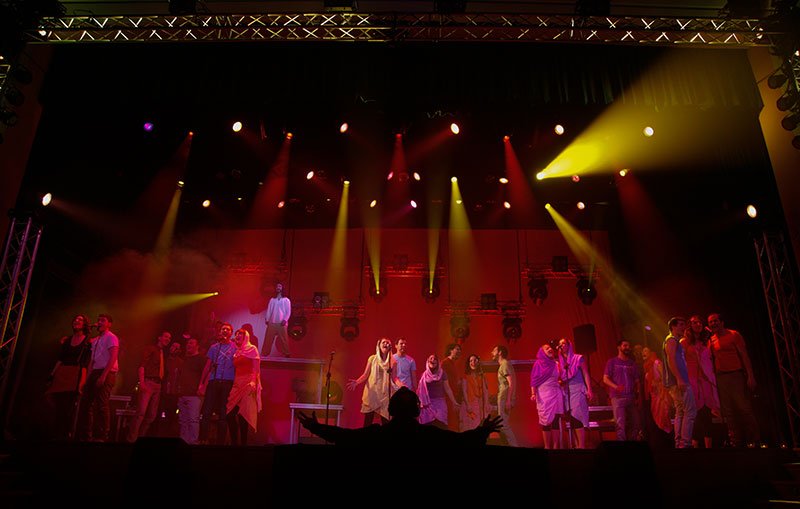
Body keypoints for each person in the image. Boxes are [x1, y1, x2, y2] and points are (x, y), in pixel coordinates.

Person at [297, 386, 502, 447]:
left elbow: (345, 436)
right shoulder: (428, 435)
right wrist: (483, 430)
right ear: (416, 411)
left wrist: (315, 427)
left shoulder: (377, 434)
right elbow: (460, 442)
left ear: (391, 410)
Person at [708, 312, 760, 447]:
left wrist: (750, 376)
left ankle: (754, 440)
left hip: (735, 375)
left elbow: (744, 355)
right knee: (728, 411)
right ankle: (735, 441)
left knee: (743, 407)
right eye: (711, 322)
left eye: (715, 321)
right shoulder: (711, 340)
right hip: (721, 377)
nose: (713, 323)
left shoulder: (733, 334)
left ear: (722, 322)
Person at [46, 314, 91, 440]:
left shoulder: (87, 342)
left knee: (68, 407)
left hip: (74, 374)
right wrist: (52, 374)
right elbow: (60, 359)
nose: (76, 321)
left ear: (85, 324)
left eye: (80, 319)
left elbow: (84, 364)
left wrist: (81, 383)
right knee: (57, 405)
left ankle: (65, 435)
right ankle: (55, 435)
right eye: (75, 319)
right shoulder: (67, 340)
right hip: (62, 373)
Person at [77, 314, 119, 442]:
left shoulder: (111, 337)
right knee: (86, 403)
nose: (99, 322)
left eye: (103, 320)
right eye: (99, 320)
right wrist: (87, 378)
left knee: (101, 404)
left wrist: (104, 375)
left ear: (109, 324)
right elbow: (92, 360)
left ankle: (102, 435)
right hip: (95, 371)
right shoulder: (96, 340)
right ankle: (86, 434)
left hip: (107, 372)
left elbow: (113, 357)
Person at [682, 315, 720, 448]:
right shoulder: (684, 342)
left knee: (706, 412)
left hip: (705, 381)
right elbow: (680, 362)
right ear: (689, 326)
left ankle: (709, 447)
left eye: (699, 322)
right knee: (695, 413)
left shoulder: (706, 341)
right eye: (694, 322)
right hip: (692, 380)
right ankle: (695, 446)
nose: (698, 324)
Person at [127, 331, 172, 442]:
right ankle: (131, 439)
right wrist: (142, 383)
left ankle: (140, 438)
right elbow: (142, 366)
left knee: (151, 415)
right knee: (141, 413)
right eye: (166, 336)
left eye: (169, 338)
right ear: (159, 337)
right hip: (148, 382)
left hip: (158, 385)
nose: (168, 339)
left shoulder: (163, 353)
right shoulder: (151, 348)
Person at [198, 322, 237, 444]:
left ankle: (220, 441)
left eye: (227, 329)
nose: (225, 331)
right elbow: (207, 366)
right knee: (207, 411)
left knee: (223, 412)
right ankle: (203, 438)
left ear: (231, 333)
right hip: (214, 380)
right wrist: (201, 383)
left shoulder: (235, 347)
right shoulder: (214, 347)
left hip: (228, 382)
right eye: (223, 329)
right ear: (220, 332)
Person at [663, 316, 696, 449]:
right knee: (690, 411)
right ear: (673, 327)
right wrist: (679, 378)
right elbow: (671, 359)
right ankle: (685, 442)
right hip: (678, 382)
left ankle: (680, 443)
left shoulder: (675, 341)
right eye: (681, 325)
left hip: (678, 381)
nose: (684, 327)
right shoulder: (671, 340)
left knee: (681, 411)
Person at [347, 338, 397, 425]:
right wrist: (357, 382)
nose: (386, 344)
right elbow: (365, 374)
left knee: (386, 421)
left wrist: (401, 387)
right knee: (368, 421)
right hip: (372, 393)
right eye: (383, 342)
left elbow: (394, 379)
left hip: (384, 395)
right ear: (379, 345)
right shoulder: (372, 358)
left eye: (388, 342)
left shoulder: (392, 362)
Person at [226, 328, 262, 445]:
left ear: (245, 336)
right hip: (237, 384)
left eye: (240, 334)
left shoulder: (252, 349)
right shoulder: (237, 351)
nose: (237, 336)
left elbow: (256, 369)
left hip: (247, 383)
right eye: (236, 334)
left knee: (243, 414)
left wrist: (253, 382)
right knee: (230, 414)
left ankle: (243, 444)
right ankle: (234, 442)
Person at [556, 337, 593, 449]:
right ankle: (577, 445)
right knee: (571, 418)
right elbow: (561, 378)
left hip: (578, 389)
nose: (562, 345)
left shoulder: (578, 358)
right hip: (567, 392)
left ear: (569, 345)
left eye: (564, 343)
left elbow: (586, 373)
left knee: (578, 417)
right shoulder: (560, 363)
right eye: (560, 344)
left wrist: (589, 389)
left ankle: (581, 445)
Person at [603, 339, 642, 441]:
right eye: (625, 345)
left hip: (631, 397)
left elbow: (637, 381)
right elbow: (605, 379)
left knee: (636, 423)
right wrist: (616, 387)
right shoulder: (612, 362)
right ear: (619, 347)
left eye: (628, 346)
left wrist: (638, 395)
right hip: (617, 397)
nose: (627, 348)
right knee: (620, 424)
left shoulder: (632, 363)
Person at [530, 344, 563, 449]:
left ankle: (556, 446)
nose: (550, 349)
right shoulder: (538, 364)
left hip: (555, 392)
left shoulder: (556, 364)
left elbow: (561, 377)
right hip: (544, 394)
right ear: (542, 352)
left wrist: (559, 382)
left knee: (555, 420)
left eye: (550, 348)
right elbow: (533, 380)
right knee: (545, 421)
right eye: (546, 348)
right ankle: (547, 446)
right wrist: (533, 393)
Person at [417, 355, 460, 428]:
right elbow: (420, 391)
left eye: (435, 359)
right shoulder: (424, 375)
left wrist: (454, 402)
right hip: (427, 405)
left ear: (437, 362)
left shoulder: (442, 374)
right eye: (431, 358)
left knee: (440, 425)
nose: (433, 360)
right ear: (428, 362)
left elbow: (448, 389)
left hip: (440, 404)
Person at [176, 337, 205, 444]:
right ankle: (184, 442)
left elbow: (207, 375)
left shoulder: (201, 359)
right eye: (188, 343)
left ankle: (193, 443)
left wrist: (202, 388)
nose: (188, 345)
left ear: (197, 346)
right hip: (182, 394)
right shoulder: (184, 359)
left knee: (193, 420)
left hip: (194, 395)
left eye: (191, 343)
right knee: (183, 420)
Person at [642, 346, 673, 437]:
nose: (643, 353)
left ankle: (667, 434)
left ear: (651, 352)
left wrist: (660, 385)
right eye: (642, 351)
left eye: (645, 351)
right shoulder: (646, 366)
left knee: (663, 414)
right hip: (654, 394)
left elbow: (664, 376)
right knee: (656, 413)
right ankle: (661, 435)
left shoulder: (656, 362)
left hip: (660, 392)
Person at [492, 344, 518, 446]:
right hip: (503, 397)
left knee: (503, 424)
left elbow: (511, 383)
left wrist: (508, 400)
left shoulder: (505, 364)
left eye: (494, 350)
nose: (492, 352)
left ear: (500, 352)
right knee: (502, 424)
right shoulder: (503, 365)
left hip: (504, 397)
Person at [460, 354, 490, 431]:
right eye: (471, 361)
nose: (473, 362)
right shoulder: (465, 375)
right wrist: (468, 405)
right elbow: (464, 391)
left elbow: (485, 390)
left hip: (478, 403)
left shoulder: (481, 375)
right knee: (469, 426)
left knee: (479, 425)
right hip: (469, 402)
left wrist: (486, 403)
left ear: (478, 362)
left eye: (475, 360)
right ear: (468, 363)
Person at [263, 282, 291, 357]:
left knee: (284, 339)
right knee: (268, 339)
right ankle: (265, 353)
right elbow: (269, 310)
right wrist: (267, 319)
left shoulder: (286, 300)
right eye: (277, 286)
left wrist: (285, 320)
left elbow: (288, 311)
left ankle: (286, 353)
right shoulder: (272, 300)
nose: (278, 288)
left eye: (280, 286)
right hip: (272, 321)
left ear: (282, 288)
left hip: (282, 322)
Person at [440, 343, 463, 431]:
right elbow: (442, 381)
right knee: (450, 421)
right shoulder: (445, 363)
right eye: (457, 349)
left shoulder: (453, 364)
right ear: (451, 350)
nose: (459, 351)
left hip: (454, 396)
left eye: (460, 350)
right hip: (447, 397)